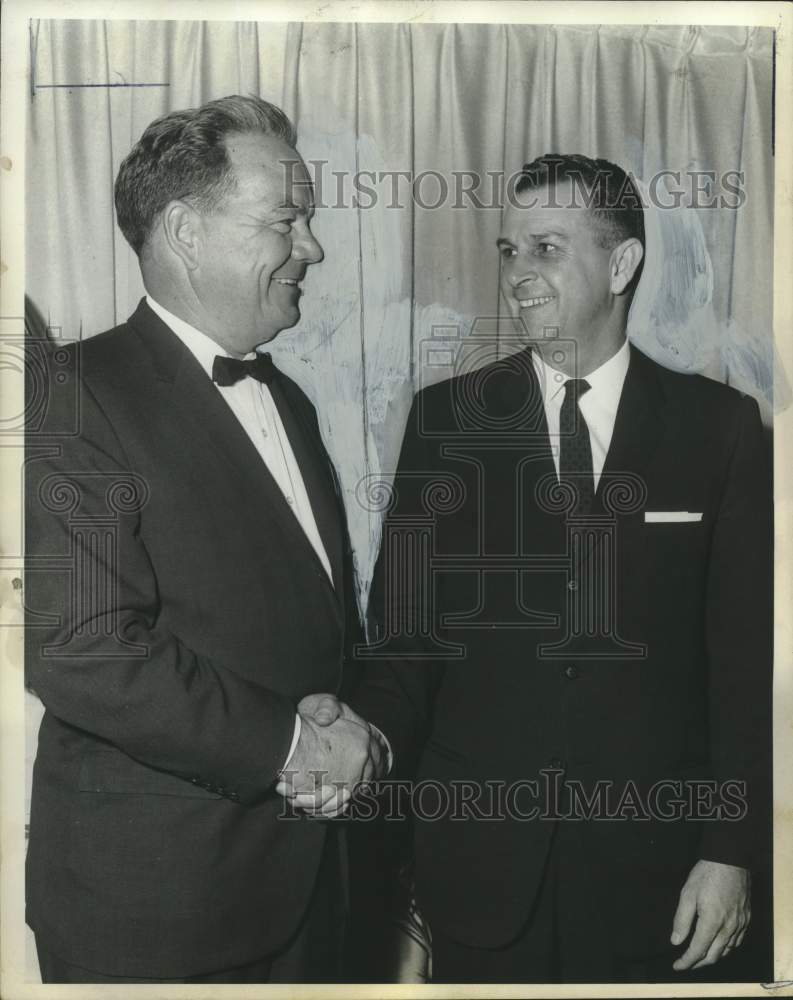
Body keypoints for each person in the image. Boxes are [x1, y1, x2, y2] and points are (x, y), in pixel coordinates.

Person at [326, 153, 772, 983]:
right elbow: (406, 644)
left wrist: (732, 852)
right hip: (479, 880)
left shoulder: (720, 428)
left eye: (546, 248)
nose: (518, 274)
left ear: (622, 263)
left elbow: (744, 672)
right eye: (509, 251)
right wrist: (368, 755)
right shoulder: (444, 422)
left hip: (665, 881)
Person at [24, 94, 387, 984]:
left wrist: (357, 735)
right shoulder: (67, 397)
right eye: (287, 219)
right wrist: (298, 748)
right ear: (186, 229)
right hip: (160, 911)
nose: (313, 247)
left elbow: (314, 628)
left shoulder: (291, 402)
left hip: (315, 891)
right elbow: (85, 650)